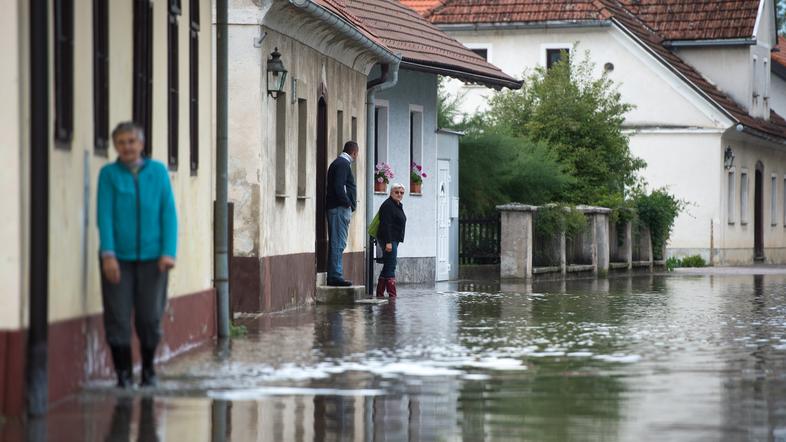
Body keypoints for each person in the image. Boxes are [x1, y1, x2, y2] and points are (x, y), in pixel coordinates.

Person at [97, 121, 177, 388]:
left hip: (154, 260)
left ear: (141, 144)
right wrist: (108, 255)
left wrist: (168, 252)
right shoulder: (108, 175)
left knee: (149, 317)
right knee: (117, 315)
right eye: (121, 142)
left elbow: (168, 214)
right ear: (115, 146)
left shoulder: (158, 172)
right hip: (117, 259)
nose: (127, 147)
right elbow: (104, 216)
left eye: (131, 141)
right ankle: (123, 375)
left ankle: (148, 371)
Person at [325, 141, 358, 286]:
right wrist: (347, 203)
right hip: (339, 208)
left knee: (337, 242)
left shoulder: (338, 164)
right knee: (338, 242)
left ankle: (335, 274)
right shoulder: (343, 164)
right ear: (354, 152)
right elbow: (339, 187)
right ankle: (335, 276)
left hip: (338, 207)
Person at [375, 183, 407, 298]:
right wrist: (388, 242)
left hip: (394, 239)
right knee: (391, 265)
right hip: (389, 240)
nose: (399, 194)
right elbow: (385, 225)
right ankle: (392, 295)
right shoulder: (388, 205)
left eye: (402, 193)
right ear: (391, 192)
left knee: (388, 265)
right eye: (397, 192)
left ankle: (380, 294)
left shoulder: (397, 205)